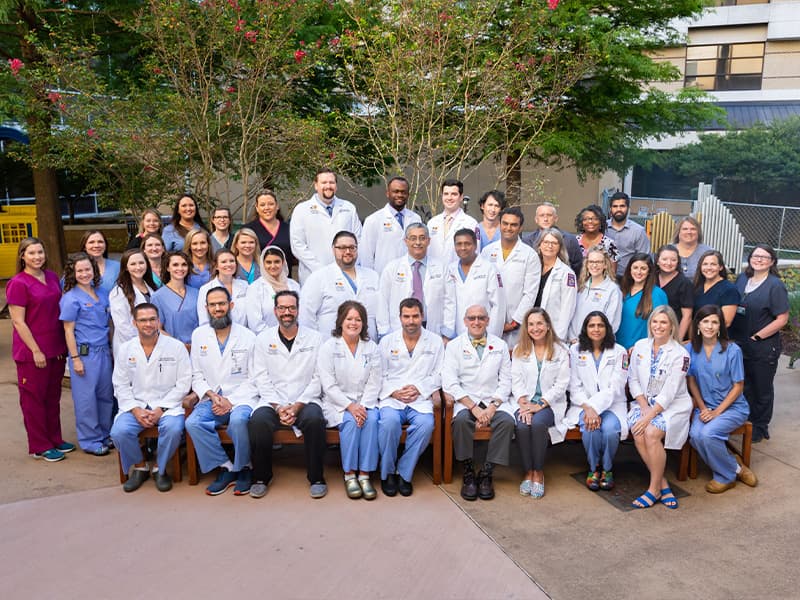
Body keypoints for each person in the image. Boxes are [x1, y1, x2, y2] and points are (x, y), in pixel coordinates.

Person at [249, 290, 328, 499]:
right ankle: (260, 477)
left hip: (305, 399)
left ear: (298, 310)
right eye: (282, 308)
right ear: (275, 311)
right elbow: (260, 376)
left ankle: (317, 477)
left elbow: (319, 377)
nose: (287, 312)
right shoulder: (263, 339)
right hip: (273, 400)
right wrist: (279, 406)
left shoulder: (315, 338)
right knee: (258, 421)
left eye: (291, 308)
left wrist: (297, 405)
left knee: (315, 420)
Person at [110, 303, 191, 492]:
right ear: (134, 323)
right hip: (135, 406)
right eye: (143, 320)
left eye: (152, 319)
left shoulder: (176, 347)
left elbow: (184, 383)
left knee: (172, 429)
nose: (148, 324)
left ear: (158, 321)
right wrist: (135, 409)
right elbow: (120, 384)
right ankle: (140, 466)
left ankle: (159, 469)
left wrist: (161, 409)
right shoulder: (126, 349)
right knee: (118, 432)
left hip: (168, 405)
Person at [7, 238, 74, 462]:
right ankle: (39, 445)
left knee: (52, 397)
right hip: (32, 352)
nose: (37, 257)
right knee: (34, 399)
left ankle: (55, 438)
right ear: (22, 256)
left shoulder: (52, 277)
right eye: (31, 253)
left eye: (40, 252)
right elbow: (18, 322)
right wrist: (36, 350)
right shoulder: (18, 283)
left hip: (56, 348)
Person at [186, 287, 258, 496]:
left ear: (231, 305)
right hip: (211, 397)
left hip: (242, 397)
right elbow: (196, 374)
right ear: (206, 308)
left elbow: (255, 377)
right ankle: (226, 466)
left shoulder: (248, 336)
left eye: (222, 304)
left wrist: (231, 401)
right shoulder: (199, 335)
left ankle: (244, 467)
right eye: (213, 305)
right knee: (193, 423)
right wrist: (211, 395)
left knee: (238, 421)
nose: (218, 309)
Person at [442, 304, 514, 501]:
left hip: (494, 401)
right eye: (472, 318)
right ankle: (468, 473)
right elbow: (449, 382)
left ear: (488, 321)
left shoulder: (499, 346)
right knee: (461, 422)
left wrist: (492, 407)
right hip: (466, 400)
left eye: (481, 318)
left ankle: (486, 473)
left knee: (507, 423)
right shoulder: (454, 346)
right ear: (465, 321)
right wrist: (472, 407)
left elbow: (506, 381)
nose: (476, 322)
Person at [687, 305, 757, 493]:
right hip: (705, 406)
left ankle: (725, 476)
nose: (709, 326)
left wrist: (717, 412)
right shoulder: (690, 349)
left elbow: (738, 386)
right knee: (695, 436)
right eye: (705, 321)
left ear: (720, 326)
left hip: (732, 408)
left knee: (708, 434)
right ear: (698, 325)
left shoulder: (732, 350)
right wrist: (703, 409)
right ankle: (736, 466)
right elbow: (692, 382)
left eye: (714, 322)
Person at [377, 298, 444, 497]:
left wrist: (419, 388)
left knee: (426, 425)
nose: (411, 321)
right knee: (388, 424)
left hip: (420, 399)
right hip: (392, 398)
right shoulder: (387, 341)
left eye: (415, 316)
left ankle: (404, 473)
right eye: (406, 316)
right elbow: (378, 374)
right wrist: (394, 391)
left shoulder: (435, 341)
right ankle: (388, 473)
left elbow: (440, 374)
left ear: (422, 317)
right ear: (400, 318)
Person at [628, 306, 692, 509]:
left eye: (663, 322)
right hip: (644, 403)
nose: (658, 326)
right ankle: (662, 484)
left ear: (672, 326)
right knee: (638, 433)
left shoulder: (680, 355)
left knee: (651, 433)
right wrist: (643, 406)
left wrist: (649, 416)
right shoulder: (640, 346)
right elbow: (633, 379)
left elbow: (670, 392)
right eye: (655, 321)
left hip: (672, 406)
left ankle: (652, 489)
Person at [318, 301, 382, 500]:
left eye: (358, 319)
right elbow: (328, 384)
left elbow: (375, 380)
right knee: (350, 422)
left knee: (371, 421)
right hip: (338, 404)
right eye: (349, 319)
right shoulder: (329, 347)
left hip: (365, 402)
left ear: (363, 323)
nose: (353, 323)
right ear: (340, 321)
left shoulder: (371, 347)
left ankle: (364, 475)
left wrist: (362, 406)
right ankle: (349, 474)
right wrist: (350, 407)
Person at [729, 244, 789, 443]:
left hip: (762, 345)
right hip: (739, 342)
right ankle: (744, 420)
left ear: (772, 262)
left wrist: (757, 337)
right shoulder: (742, 279)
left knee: (761, 387)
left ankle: (760, 426)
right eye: (756, 256)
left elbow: (782, 318)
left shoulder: (775, 285)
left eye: (765, 257)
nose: (759, 260)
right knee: (743, 384)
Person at [511, 308, 569, 499]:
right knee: (521, 426)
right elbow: (516, 380)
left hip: (550, 404)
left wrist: (540, 404)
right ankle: (527, 471)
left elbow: (562, 384)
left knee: (537, 424)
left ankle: (538, 472)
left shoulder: (560, 351)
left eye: (539, 323)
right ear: (527, 328)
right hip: (524, 402)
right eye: (531, 324)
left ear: (547, 326)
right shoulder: (520, 350)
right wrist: (524, 403)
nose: (535, 328)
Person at [59, 253, 114, 456]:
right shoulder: (71, 298)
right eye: (79, 270)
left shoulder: (102, 292)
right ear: (73, 273)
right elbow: (68, 330)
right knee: (86, 400)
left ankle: (106, 434)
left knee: (105, 396)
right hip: (85, 354)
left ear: (94, 270)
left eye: (87, 269)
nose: (84, 274)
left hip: (104, 352)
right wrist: (75, 359)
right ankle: (91, 440)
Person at [567, 311, 629, 492]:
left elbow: (616, 386)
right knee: (591, 428)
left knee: (610, 430)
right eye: (591, 325)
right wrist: (588, 408)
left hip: (612, 405)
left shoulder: (620, 352)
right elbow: (573, 385)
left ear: (607, 328)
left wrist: (595, 407)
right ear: (585, 329)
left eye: (600, 325)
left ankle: (607, 470)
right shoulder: (575, 350)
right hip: (583, 404)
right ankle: (593, 469)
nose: (596, 329)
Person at [300, 231, 380, 341]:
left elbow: (381, 312)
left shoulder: (372, 276)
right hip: (330, 344)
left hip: (367, 344)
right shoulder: (319, 277)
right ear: (333, 249)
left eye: (352, 247)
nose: (348, 251)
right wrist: (315, 343)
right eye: (342, 248)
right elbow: (306, 315)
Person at [481, 206, 541, 348]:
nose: (509, 228)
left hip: (516, 326)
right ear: (499, 225)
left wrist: (515, 322)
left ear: (520, 228)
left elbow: (530, 293)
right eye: (505, 223)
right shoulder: (487, 251)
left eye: (514, 225)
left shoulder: (529, 255)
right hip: (489, 320)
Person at [290, 168, 362, 284]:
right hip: (313, 275)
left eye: (332, 182)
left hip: (345, 273)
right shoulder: (301, 210)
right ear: (316, 185)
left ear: (336, 186)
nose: (328, 186)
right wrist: (321, 270)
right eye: (324, 182)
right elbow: (297, 245)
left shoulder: (349, 208)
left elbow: (358, 239)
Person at [377, 223, 446, 339]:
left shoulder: (441, 268)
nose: (418, 242)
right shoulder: (392, 268)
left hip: (431, 327)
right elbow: (382, 300)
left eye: (422, 238)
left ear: (428, 241)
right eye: (413, 238)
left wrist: (447, 333)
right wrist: (384, 331)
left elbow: (449, 301)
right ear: (406, 241)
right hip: (399, 328)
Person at [442, 228, 506, 341]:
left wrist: (491, 336)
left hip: (482, 332)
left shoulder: (489, 269)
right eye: (459, 244)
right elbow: (447, 303)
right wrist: (448, 333)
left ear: (475, 245)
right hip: (456, 335)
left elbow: (498, 305)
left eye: (467, 244)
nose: (463, 248)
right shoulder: (450, 269)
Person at [359, 176, 422, 274]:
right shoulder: (373, 220)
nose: (400, 195)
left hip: (410, 277)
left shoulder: (415, 219)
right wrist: (370, 280)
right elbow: (366, 256)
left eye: (403, 192)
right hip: (383, 277)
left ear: (408, 195)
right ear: (388, 193)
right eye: (396, 191)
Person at [108, 249, 157, 356]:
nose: (138, 267)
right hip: (132, 347)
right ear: (126, 267)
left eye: (141, 263)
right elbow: (123, 326)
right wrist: (144, 344)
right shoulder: (118, 292)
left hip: (154, 344)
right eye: (133, 264)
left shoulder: (152, 287)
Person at [568, 247, 621, 343]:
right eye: (591, 262)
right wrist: (572, 338)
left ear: (605, 265)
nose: (595, 265)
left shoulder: (612, 290)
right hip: (575, 344)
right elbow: (572, 315)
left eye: (599, 262)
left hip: (598, 345)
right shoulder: (580, 287)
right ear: (587, 264)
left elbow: (612, 323)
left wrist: (592, 341)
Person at [245, 246, 301, 335]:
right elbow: (255, 323)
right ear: (263, 264)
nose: (273, 266)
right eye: (268, 262)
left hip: (294, 336)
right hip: (266, 340)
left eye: (277, 262)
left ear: (283, 263)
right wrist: (277, 337)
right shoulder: (255, 288)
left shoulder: (293, 285)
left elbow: (301, 314)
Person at [617, 252, 668, 350]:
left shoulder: (657, 294)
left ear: (649, 271)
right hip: (617, 349)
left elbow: (661, 326)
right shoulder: (621, 290)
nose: (639, 272)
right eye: (635, 268)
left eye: (643, 268)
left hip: (641, 350)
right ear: (629, 269)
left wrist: (642, 347)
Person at [533, 228, 577, 342]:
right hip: (531, 328)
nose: (550, 246)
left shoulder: (567, 273)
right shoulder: (532, 268)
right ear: (539, 245)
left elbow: (568, 308)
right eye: (546, 242)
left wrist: (559, 336)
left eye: (554, 243)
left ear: (560, 247)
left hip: (553, 332)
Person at [151, 251, 199, 348]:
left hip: (198, 347)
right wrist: (180, 346)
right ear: (168, 268)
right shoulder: (158, 296)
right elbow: (157, 328)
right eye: (175, 265)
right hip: (173, 348)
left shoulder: (197, 293)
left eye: (184, 265)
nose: (180, 268)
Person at [426, 179, 480, 264]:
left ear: (461, 197)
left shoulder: (471, 223)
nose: (449, 198)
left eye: (454, 194)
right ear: (442, 196)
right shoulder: (432, 223)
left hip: (458, 274)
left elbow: (476, 253)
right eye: (446, 194)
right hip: (434, 273)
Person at [522, 202, 583, 276]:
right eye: (541, 215)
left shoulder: (569, 240)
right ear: (536, 219)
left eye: (549, 215)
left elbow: (578, 266)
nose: (545, 219)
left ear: (556, 218)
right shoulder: (527, 241)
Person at [244, 190, 295, 272]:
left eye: (271, 204)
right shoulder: (248, 230)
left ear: (277, 206)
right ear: (257, 208)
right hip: (256, 278)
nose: (267, 208)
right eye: (262, 205)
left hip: (284, 278)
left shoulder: (289, 229)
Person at [197, 249, 249, 328]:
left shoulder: (245, 286)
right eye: (224, 262)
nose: (229, 264)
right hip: (216, 336)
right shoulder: (205, 289)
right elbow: (204, 321)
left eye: (232, 261)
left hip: (243, 335)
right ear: (216, 266)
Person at [605, 191, 650, 277]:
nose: (618, 209)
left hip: (629, 278)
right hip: (604, 277)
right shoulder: (602, 228)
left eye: (622, 206)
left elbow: (644, 258)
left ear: (628, 208)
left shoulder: (638, 231)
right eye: (615, 206)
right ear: (610, 208)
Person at [655, 244, 693, 341]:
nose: (669, 263)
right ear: (658, 261)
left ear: (678, 262)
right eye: (664, 259)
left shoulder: (684, 283)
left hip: (673, 331)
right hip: (653, 329)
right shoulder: (651, 278)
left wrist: (677, 339)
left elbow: (687, 316)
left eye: (673, 260)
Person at [693, 250, 739, 327]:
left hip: (716, 336)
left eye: (713, 264)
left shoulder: (729, 290)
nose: (709, 268)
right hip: (697, 335)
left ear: (720, 267)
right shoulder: (697, 287)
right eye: (705, 264)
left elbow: (726, 322)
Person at [574, 204, 618, 274]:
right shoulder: (574, 241)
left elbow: (612, 273)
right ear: (581, 223)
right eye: (586, 219)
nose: (590, 221)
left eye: (595, 219)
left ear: (601, 222)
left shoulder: (609, 244)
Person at [80, 229, 120, 294]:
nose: (96, 245)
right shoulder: (76, 268)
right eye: (91, 242)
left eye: (100, 242)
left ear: (105, 245)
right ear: (84, 246)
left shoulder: (117, 267)